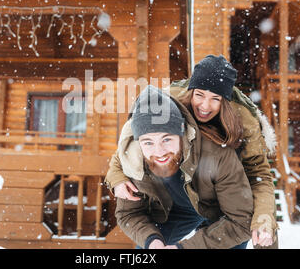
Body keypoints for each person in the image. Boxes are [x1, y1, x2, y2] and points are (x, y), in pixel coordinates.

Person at [105, 55, 278, 248]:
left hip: (228, 202)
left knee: (255, 234)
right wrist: (117, 179)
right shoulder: (168, 106)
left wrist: (263, 217)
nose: (205, 106)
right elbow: (128, 149)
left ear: (225, 101)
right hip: (184, 202)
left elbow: (259, 176)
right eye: (200, 95)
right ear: (191, 92)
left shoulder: (244, 125)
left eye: (215, 99)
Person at [113, 84, 253, 248]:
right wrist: (152, 240)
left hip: (222, 211)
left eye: (166, 139)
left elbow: (242, 221)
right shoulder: (134, 160)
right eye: (148, 142)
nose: (159, 152)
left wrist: (185, 248)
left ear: (181, 134)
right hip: (178, 212)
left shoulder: (216, 154)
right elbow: (129, 213)